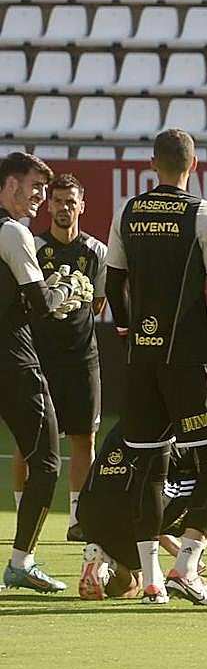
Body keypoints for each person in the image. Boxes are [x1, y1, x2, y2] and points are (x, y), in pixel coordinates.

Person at [105, 129, 207, 606]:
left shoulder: (130, 211)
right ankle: (187, 563)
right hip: (190, 358)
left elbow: (113, 281)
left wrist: (127, 331)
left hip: (141, 358)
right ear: (195, 164)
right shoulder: (205, 214)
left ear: (151, 164)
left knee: (147, 464)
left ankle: (151, 579)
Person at [0, 152, 91, 593]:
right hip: (13, 362)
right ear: (11, 185)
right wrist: (68, 289)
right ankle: (21, 562)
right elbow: (42, 309)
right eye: (34, 187)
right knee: (47, 462)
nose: (40, 198)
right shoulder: (15, 234)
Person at [11, 174, 107, 543]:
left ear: (82, 206)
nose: (64, 208)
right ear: (48, 205)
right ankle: (24, 511)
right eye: (58, 201)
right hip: (38, 358)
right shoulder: (32, 248)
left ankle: (78, 519)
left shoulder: (95, 252)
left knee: (85, 438)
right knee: (29, 439)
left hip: (83, 359)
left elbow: (97, 304)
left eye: (71, 202)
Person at [76, 421, 207, 600]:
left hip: (90, 509)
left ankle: (103, 561)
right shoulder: (201, 435)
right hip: (135, 508)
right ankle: (108, 564)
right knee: (206, 490)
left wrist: (180, 551)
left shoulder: (132, 420)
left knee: (129, 586)